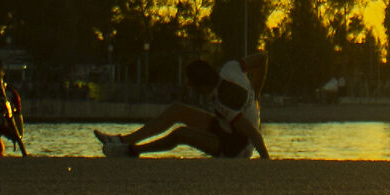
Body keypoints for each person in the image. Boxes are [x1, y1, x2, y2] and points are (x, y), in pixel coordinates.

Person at [95, 53, 269, 159]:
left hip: (238, 147)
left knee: (181, 134)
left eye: (192, 85)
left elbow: (254, 134)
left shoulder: (224, 102)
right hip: (227, 128)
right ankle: (122, 140)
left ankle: (132, 150)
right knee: (177, 110)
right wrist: (257, 92)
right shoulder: (230, 69)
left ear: (203, 87)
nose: (190, 88)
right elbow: (262, 58)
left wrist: (266, 162)